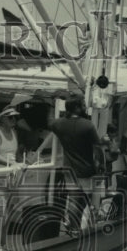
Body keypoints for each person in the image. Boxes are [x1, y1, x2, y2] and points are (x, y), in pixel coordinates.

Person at [47, 97, 104, 233]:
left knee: (74, 197)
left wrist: (51, 103)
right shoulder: (88, 125)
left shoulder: (58, 124)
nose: (85, 107)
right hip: (86, 169)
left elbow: (49, 122)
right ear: (77, 108)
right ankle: (74, 226)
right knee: (84, 198)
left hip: (69, 170)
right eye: (83, 105)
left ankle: (73, 226)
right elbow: (97, 148)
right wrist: (102, 166)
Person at [0, 106, 25, 251]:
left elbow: (15, 154)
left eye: (15, 117)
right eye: (10, 117)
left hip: (12, 175)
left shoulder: (14, 132)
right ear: (2, 118)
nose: (14, 120)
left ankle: (2, 243)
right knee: (2, 212)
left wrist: (22, 161)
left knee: (8, 212)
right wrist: (14, 163)